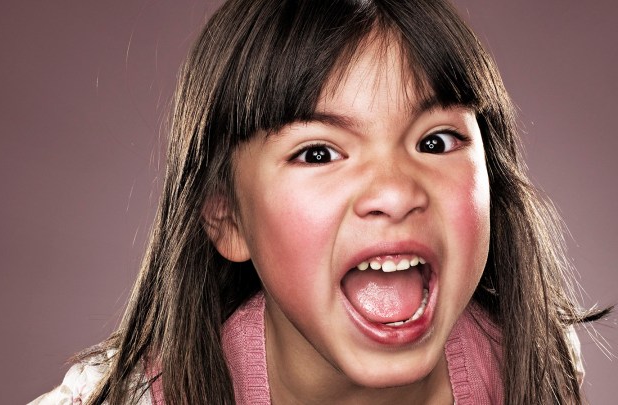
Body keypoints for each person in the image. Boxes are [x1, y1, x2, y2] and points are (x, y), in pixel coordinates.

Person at [31, 0, 609, 403]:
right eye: (318, 153)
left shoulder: (535, 363)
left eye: (435, 141)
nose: (394, 192)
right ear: (226, 216)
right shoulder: (128, 399)